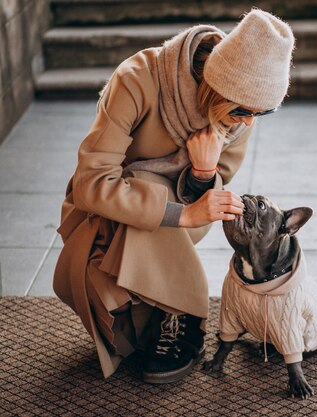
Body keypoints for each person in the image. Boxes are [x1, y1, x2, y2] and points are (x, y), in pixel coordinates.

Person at [53, 9, 295, 384]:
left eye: (264, 112)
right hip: (103, 212)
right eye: (245, 110)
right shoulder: (138, 79)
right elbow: (92, 183)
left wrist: (202, 175)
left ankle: (180, 317)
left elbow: (214, 187)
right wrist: (180, 215)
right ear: (218, 87)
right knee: (119, 324)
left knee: (135, 328)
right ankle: (172, 307)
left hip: (179, 217)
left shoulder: (237, 117)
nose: (249, 122)